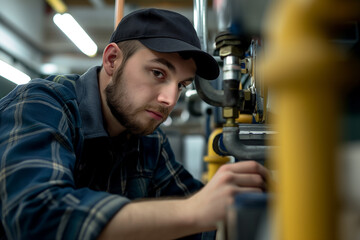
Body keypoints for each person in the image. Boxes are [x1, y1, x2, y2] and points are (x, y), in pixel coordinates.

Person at [0, 8, 269, 240]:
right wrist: (193, 212)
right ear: (112, 60)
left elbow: (194, 208)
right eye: (157, 73)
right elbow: (37, 218)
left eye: (181, 85)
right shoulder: (40, 105)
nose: (169, 99)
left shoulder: (148, 138)